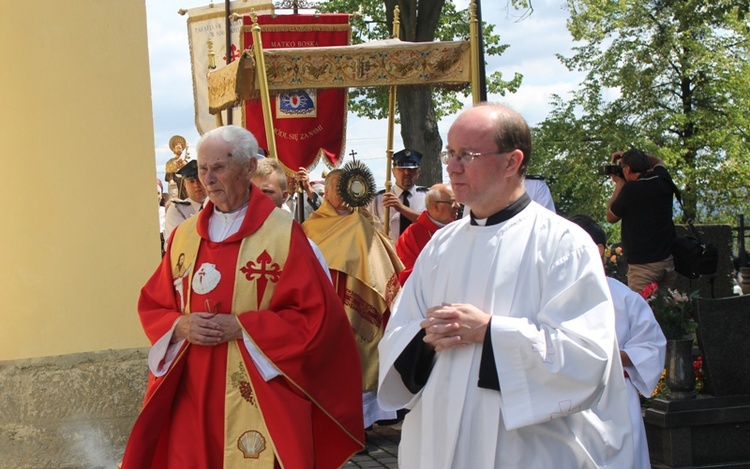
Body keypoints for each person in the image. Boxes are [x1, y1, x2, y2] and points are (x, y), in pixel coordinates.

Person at [378, 103, 633, 468]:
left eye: (467, 155)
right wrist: (424, 339)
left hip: (523, 448)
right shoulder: (441, 245)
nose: (451, 166)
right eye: (450, 153)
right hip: (437, 437)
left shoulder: (562, 243)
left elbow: (586, 356)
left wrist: (491, 331)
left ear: (512, 162)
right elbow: (402, 330)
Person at [121, 125, 364, 468]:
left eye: (218, 167)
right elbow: (154, 303)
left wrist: (243, 327)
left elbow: (315, 317)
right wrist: (179, 324)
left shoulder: (282, 235)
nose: (207, 179)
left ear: (249, 168)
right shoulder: (185, 236)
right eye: (203, 169)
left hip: (257, 386)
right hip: (193, 387)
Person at [302, 169, 404, 430]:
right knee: (334, 365)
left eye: (350, 185)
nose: (345, 192)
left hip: (363, 306)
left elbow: (382, 266)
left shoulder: (366, 224)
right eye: (339, 186)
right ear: (327, 191)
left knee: (364, 360)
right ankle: (338, 421)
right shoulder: (311, 226)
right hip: (328, 306)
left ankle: (363, 422)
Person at [570, 214, 667, 469]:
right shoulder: (552, 298)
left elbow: (651, 346)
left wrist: (608, 356)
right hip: (569, 396)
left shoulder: (624, 298)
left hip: (617, 396)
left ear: (598, 250)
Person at [607, 148, 677, 293]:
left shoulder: (631, 189)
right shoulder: (662, 179)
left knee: (641, 312)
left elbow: (611, 216)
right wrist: (636, 157)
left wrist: (619, 184)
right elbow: (658, 161)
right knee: (667, 311)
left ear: (627, 169)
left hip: (642, 267)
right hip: (667, 261)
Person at [251, 158, 331, 282]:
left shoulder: (307, 249)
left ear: (283, 196)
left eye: (267, 191)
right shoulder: (232, 238)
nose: (259, 197)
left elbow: (325, 212)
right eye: (254, 191)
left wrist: (308, 188)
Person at [395, 183, 459, 284]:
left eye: (457, 201)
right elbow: (406, 275)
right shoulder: (411, 235)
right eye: (451, 202)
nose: (457, 206)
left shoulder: (461, 230)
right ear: (435, 206)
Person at [369, 148, 427, 244]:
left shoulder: (427, 197)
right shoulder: (378, 200)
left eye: (411, 169)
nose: (407, 173)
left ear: (418, 172)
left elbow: (431, 222)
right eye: (401, 169)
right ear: (393, 171)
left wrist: (402, 208)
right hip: (389, 256)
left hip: (418, 256)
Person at [163, 160, 207, 240]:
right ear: (184, 185)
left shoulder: (220, 206)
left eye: (200, 180)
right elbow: (176, 241)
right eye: (191, 181)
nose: (196, 185)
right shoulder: (177, 209)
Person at [164, 135, 187, 199]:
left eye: (180, 148)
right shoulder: (170, 162)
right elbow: (169, 174)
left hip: (184, 185)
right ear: (174, 149)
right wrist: (171, 179)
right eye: (177, 148)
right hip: (175, 184)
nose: (179, 149)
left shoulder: (185, 161)